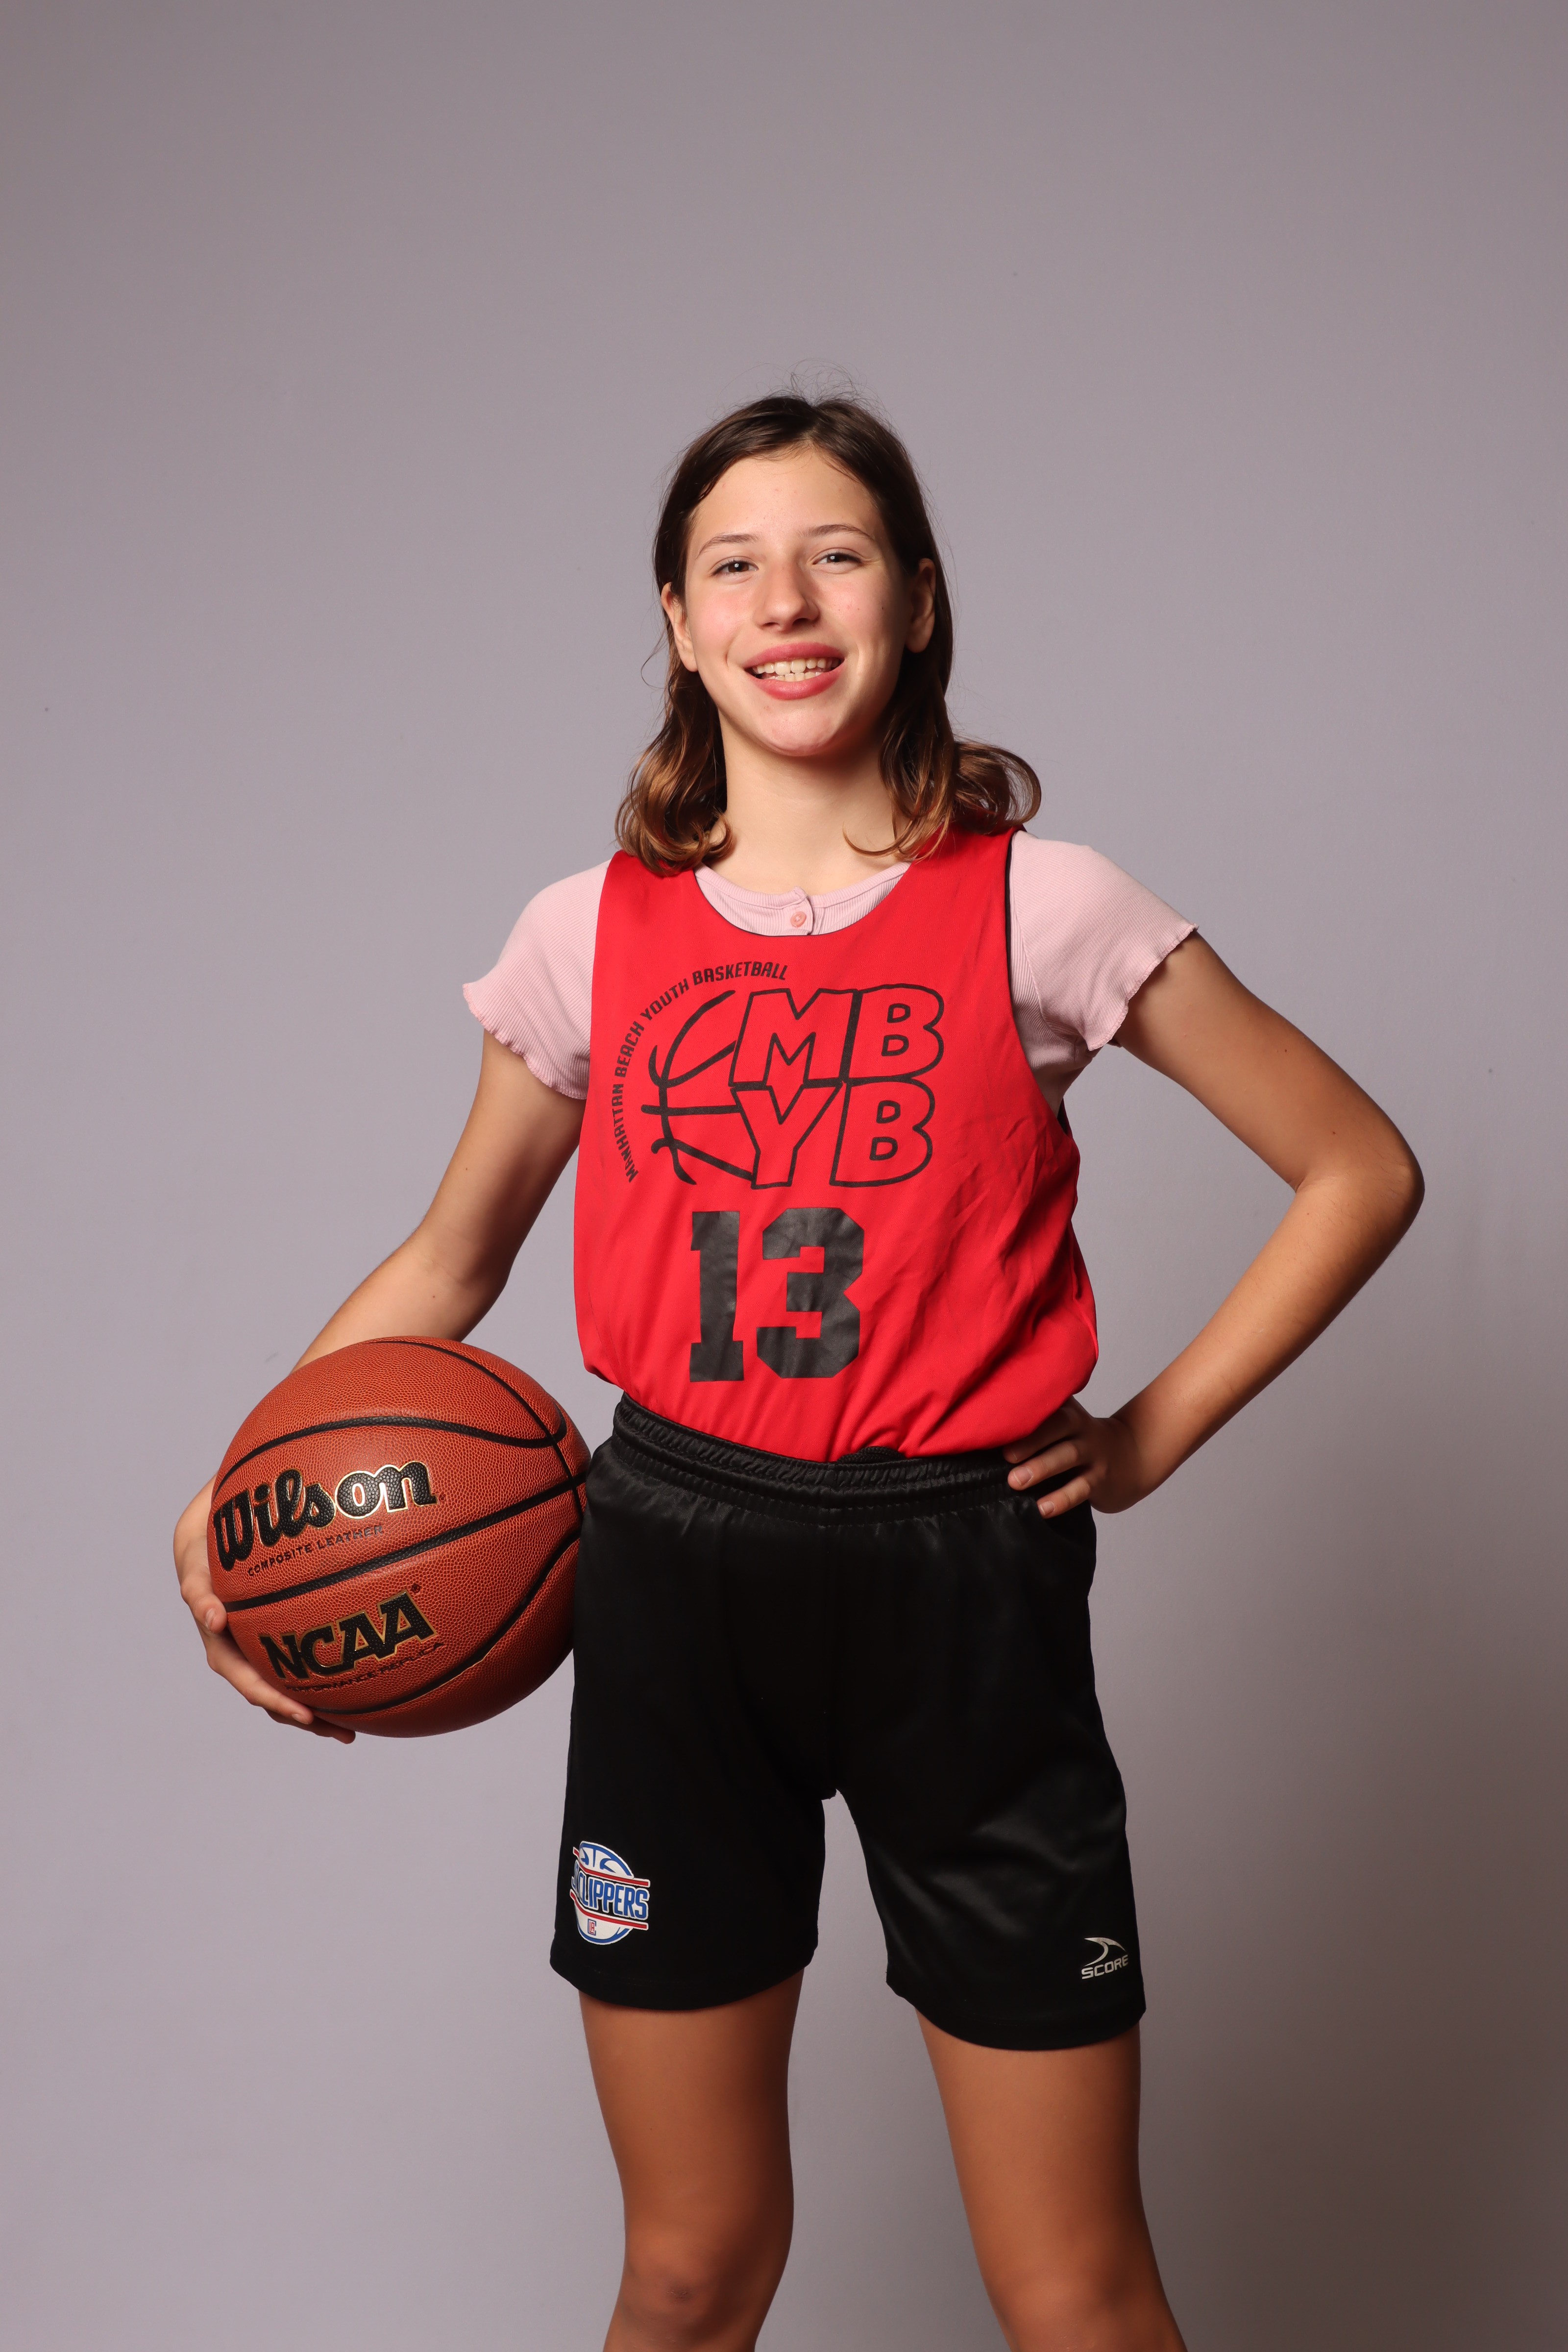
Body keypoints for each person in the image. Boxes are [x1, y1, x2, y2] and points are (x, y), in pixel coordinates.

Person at [173, 393, 1422, 2352]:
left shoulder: (1044, 901)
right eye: (734, 565)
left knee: (1076, 2290)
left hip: (966, 1587)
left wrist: (1148, 1438)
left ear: (914, 599)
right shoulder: (586, 934)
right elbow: (450, 1262)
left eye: (836, 556)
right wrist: (240, 1494)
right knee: (686, 2274)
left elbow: (1357, 1168)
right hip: (674, 1574)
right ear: (677, 622)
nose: (787, 601)